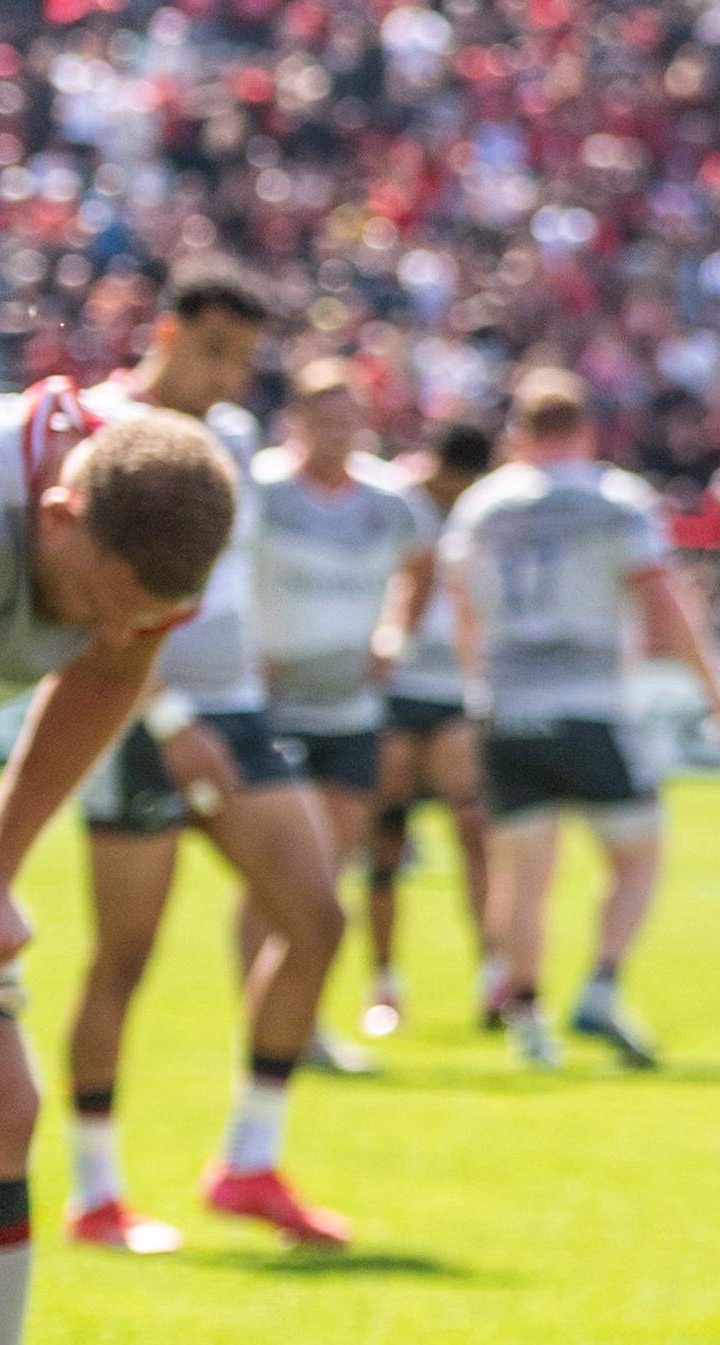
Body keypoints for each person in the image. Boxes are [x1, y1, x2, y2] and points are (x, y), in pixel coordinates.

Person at [0, 389, 243, 1345]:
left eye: (152, 612)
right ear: (55, 509)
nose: (124, 626)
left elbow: (115, 668)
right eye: (104, 592)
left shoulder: (159, 527)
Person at [59, 263, 358, 1254]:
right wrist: (167, 712)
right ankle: (96, 1190)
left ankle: (249, 1162)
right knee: (127, 957)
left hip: (238, 715)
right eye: (219, 349)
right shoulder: (100, 428)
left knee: (315, 917)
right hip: (125, 715)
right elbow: (77, 602)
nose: (233, 373)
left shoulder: (234, 441)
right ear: (173, 333)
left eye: (247, 356)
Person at [442, 371, 720, 1069]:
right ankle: (602, 983)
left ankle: (528, 1024)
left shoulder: (484, 505)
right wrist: (713, 689)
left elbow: (461, 605)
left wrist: (477, 685)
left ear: (519, 432)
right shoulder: (615, 500)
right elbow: (662, 600)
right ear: (585, 429)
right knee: (638, 852)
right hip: (589, 706)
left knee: (522, 877)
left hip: (506, 707)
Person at [247, 359, 437, 1076]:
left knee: (327, 879)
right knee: (272, 874)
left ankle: (305, 1023)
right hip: (268, 713)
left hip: (351, 714)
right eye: (322, 419)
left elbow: (423, 564)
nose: (336, 433)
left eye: (348, 419)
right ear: (294, 421)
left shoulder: (390, 499)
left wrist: (396, 634)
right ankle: (263, 1021)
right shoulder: (261, 490)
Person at [360, 420, 496, 1039]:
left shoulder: (486, 513)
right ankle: (384, 983)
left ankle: (494, 973)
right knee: (386, 838)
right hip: (393, 690)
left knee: (473, 824)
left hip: (453, 693)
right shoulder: (393, 502)